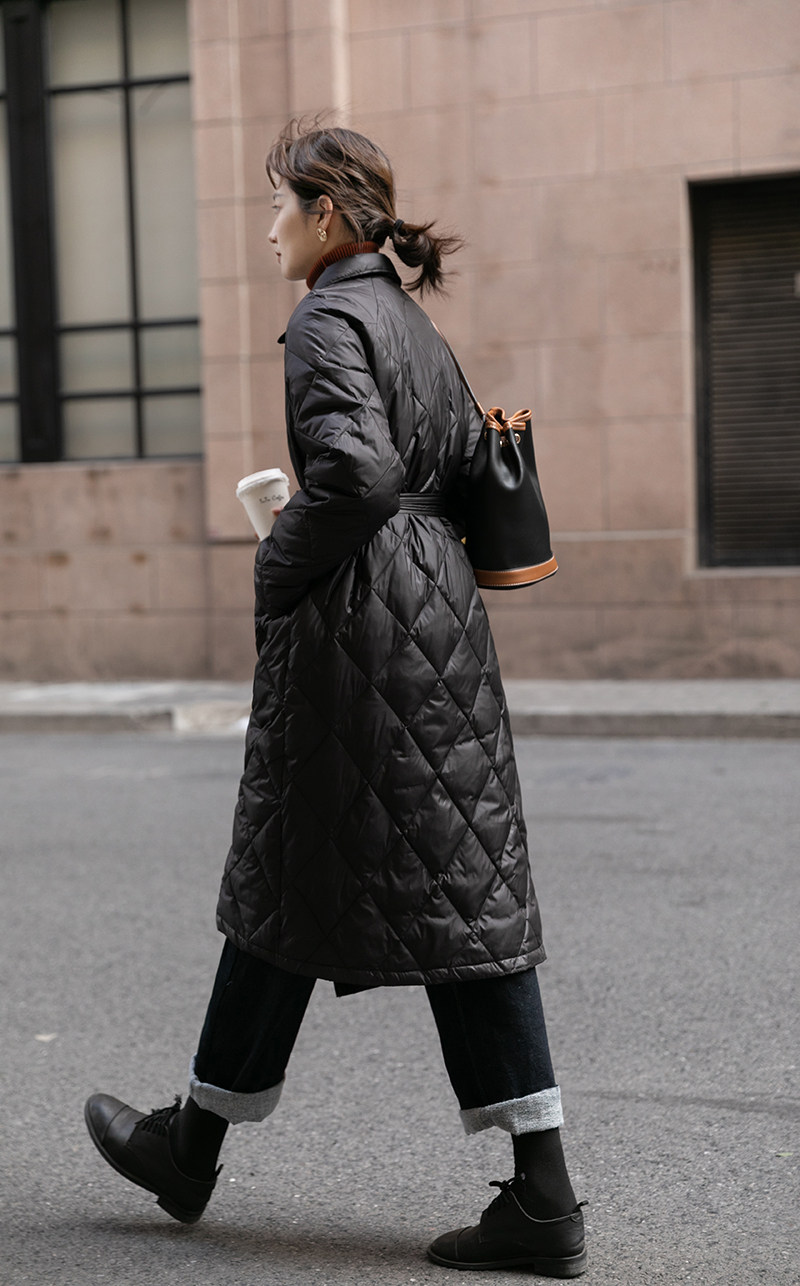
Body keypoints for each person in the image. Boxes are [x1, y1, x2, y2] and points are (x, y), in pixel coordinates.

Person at [84, 121, 586, 1278]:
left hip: (358, 629)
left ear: (323, 216)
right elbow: (446, 468)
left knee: (301, 864)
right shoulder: (410, 321)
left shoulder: (326, 319)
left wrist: (277, 559)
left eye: (279, 207)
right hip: (437, 621)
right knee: (421, 882)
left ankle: (194, 1146)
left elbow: (356, 473)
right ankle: (527, 1188)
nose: (267, 230)